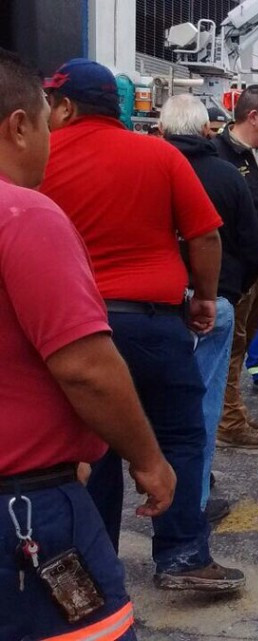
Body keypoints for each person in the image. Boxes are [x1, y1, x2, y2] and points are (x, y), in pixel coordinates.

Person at [39, 57, 245, 590]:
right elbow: (205, 237)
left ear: (64, 106)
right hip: (154, 324)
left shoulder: (37, 159)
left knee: (91, 446)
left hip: (74, 331)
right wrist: (203, 298)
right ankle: (183, 557)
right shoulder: (159, 155)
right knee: (180, 435)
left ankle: (96, 562)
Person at [0, 48, 175, 641]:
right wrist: (147, 460)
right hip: (24, 508)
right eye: (46, 127)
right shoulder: (24, 216)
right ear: (20, 126)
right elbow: (86, 370)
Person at [161, 94, 258, 524]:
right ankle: (193, 502)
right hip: (214, 303)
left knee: (149, 406)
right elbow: (250, 243)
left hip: (153, 306)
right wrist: (231, 291)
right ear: (207, 129)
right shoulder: (226, 175)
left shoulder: (149, 171)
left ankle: (157, 489)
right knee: (201, 408)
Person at [213, 84, 258, 450]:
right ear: (253, 116)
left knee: (244, 342)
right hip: (237, 271)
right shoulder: (221, 155)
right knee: (232, 346)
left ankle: (233, 409)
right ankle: (228, 420)